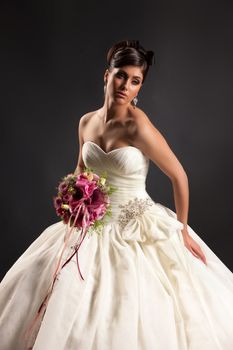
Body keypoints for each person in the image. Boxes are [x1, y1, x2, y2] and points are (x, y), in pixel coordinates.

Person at [0, 40, 233, 350]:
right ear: (106, 75)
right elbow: (81, 171)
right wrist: (75, 201)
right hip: (91, 225)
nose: (126, 85)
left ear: (140, 88)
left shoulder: (138, 126)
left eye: (135, 81)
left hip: (137, 222)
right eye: (122, 75)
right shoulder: (86, 122)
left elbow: (179, 176)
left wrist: (184, 229)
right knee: (56, 294)